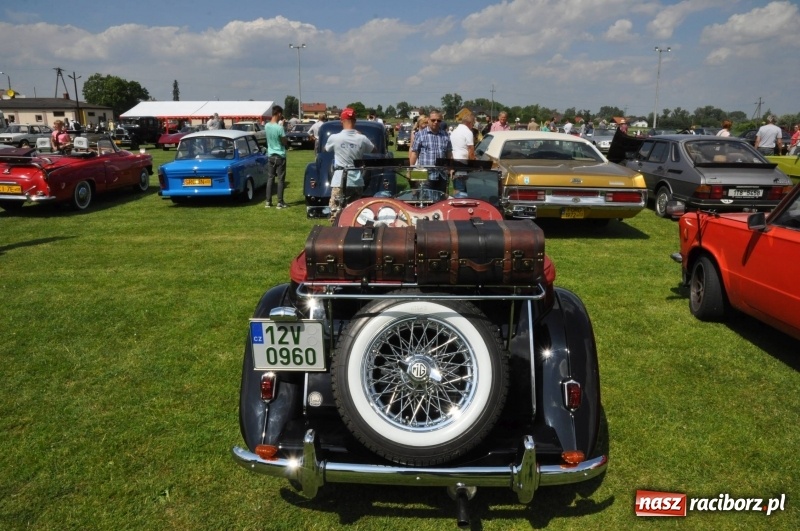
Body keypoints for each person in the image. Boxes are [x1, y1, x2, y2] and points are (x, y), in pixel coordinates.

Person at [324, 107, 376, 220]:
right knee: (355, 213)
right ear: (355, 121)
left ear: (341, 121)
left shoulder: (334, 138)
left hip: (339, 179)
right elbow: (374, 149)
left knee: (336, 212)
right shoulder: (362, 138)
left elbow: (326, 149)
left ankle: (336, 233)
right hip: (356, 180)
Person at [409, 110, 452, 193]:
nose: (436, 122)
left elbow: (449, 153)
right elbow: (414, 153)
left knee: (440, 203)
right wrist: (410, 169)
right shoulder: (420, 134)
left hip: (441, 176)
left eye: (438, 120)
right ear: (428, 120)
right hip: (425, 176)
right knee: (426, 201)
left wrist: (450, 169)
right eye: (433, 120)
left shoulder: (445, 135)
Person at [264, 105, 289, 209]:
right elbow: (284, 142)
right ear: (279, 113)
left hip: (270, 155)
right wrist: (283, 126)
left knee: (270, 178)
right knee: (280, 180)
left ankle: (268, 201)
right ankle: (280, 202)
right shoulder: (280, 128)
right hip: (280, 155)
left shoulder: (266, 126)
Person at [450, 111, 476, 193]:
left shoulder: (454, 131)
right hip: (463, 163)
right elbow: (471, 151)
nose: (473, 126)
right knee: (464, 191)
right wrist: (474, 165)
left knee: (457, 189)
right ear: (470, 123)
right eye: (473, 124)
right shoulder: (468, 132)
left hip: (454, 162)